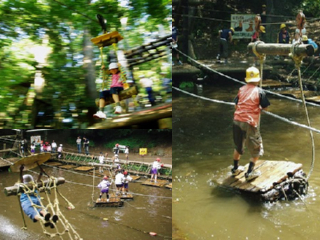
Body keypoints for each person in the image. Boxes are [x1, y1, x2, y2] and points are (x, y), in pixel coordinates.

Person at [231, 67, 270, 181]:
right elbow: (265, 108)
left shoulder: (241, 89)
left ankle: (235, 169)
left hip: (237, 120)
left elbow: (236, 106)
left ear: (246, 79)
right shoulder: (260, 91)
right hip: (249, 122)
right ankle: (250, 172)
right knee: (257, 148)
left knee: (238, 146)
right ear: (258, 80)